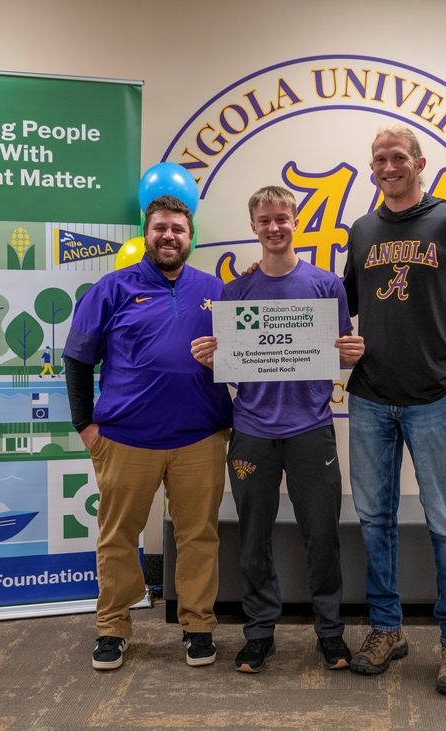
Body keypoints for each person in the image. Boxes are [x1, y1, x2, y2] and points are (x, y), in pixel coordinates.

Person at [341, 124, 446, 695]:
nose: (388, 166)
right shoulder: (362, 231)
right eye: (378, 159)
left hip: (434, 400)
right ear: (372, 170)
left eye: (397, 157)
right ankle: (387, 629)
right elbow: (346, 309)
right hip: (368, 400)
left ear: (418, 162)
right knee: (374, 520)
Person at [191, 185, 365, 674]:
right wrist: (210, 358)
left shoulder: (327, 286)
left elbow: (340, 350)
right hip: (251, 429)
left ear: (296, 221)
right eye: (265, 220)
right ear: (253, 227)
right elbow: (231, 358)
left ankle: (330, 633)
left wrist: (351, 354)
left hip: (312, 427)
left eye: (282, 218)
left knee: (323, 536)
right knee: (253, 539)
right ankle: (258, 634)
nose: (274, 227)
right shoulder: (236, 291)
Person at [63, 195, 233, 671]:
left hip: (199, 437)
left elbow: (241, 355)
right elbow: (77, 359)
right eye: (160, 227)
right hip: (125, 438)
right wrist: (86, 426)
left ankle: (198, 626)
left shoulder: (215, 289)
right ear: (147, 233)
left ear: (190, 235)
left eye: (178, 228)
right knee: (118, 536)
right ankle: (112, 628)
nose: (169, 236)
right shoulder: (112, 288)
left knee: (199, 535)